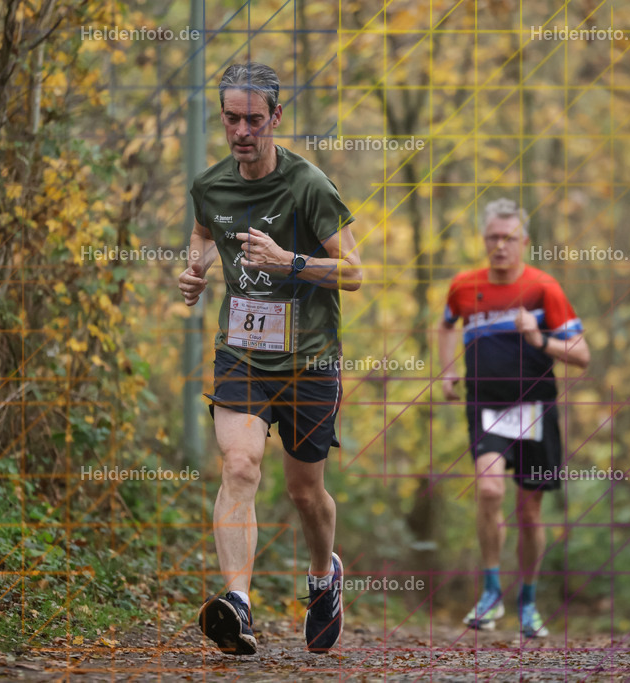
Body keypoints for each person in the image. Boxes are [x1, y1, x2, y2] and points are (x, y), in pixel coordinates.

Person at [178, 62, 363, 655]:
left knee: (305, 493)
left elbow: (356, 273)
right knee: (239, 467)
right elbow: (206, 230)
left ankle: (321, 576)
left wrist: (290, 262)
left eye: (254, 120)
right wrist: (196, 266)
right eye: (231, 118)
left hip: (310, 361)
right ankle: (239, 605)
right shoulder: (210, 185)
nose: (241, 132)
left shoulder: (308, 185)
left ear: (276, 118)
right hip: (244, 356)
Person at [438, 199, 589, 637]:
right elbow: (447, 323)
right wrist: (448, 370)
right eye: (492, 238)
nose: (500, 246)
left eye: (509, 238)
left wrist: (539, 338)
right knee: (488, 490)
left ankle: (527, 600)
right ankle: (490, 593)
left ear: (524, 241)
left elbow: (582, 355)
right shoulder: (464, 286)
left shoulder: (545, 289)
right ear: (484, 240)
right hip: (485, 405)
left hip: (535, 408)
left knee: (528, 512)